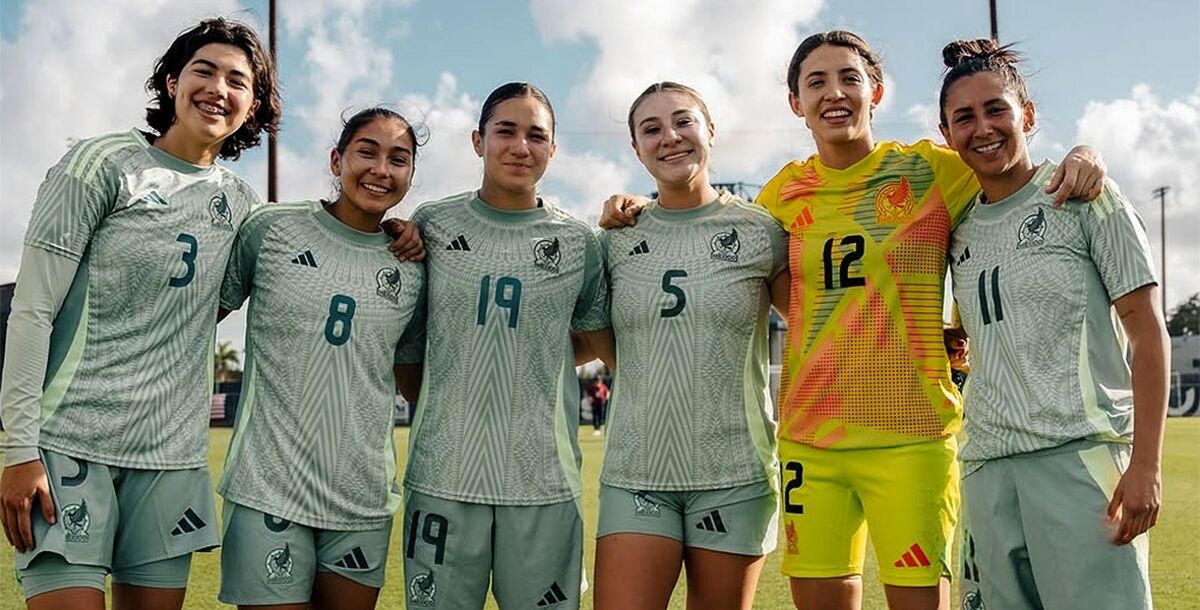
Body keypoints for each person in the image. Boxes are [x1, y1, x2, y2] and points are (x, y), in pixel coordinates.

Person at [600, 30, 1106, 610]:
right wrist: (635, 205)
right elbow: (710, 234)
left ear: (876, 91)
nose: (833, 92)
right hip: (810, 441)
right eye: (816, 82)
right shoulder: (780, 197)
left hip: (912, 435)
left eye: (849, 78)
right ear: (796, 102)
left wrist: (1084, 153)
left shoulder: (931, 171)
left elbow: (1012, 169)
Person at [0, 18, 280, 610]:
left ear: (252, 106)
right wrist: (19, 450)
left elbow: (221, 300)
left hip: (171, 460)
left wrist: (398, 232)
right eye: (204, 71)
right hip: (70, 442)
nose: (218, 88)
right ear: (173, 81)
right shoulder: (100, 165)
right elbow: (31, 311)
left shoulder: (243, 207)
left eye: (238, 81)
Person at [938, 39, 1167, 610]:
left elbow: (1147, 333)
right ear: (946, 135)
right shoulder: (957, 229)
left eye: (996, 110)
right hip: (987, 471)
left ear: (1029, 116)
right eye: (963, 118)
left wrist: (1145, 465)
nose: (982, 128)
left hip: (1080, 462)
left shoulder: (1085, 197)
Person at [398, 82, 609, 610]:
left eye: (536, 135)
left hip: (543, 481)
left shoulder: (577, 241)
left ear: (553, 149)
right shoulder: (433, 223)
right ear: (478, 140)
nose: (521, 146)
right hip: (444, 475)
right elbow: (412, 347)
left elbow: (590, 339)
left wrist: (532, 358)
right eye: (505, 131)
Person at [215, 107, 427, 610]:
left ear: (410, 176)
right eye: (366, 152)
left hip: (362, 497)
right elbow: (197, 316)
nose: (381, 169)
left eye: (398, 159)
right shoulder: (271, 229)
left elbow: (413, 381)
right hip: (268, 488)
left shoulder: (414, 264)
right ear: (337, 160)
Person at [590, 82, 790, 610]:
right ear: (636, 148)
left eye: (683, 122)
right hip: (638, 472)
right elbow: (591, 331)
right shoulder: (613, 238)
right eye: (651, 129)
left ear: (711, 131)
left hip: (735, 473)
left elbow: (818, 324)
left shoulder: (760, 231)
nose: (670, 137)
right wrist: (644, 369)